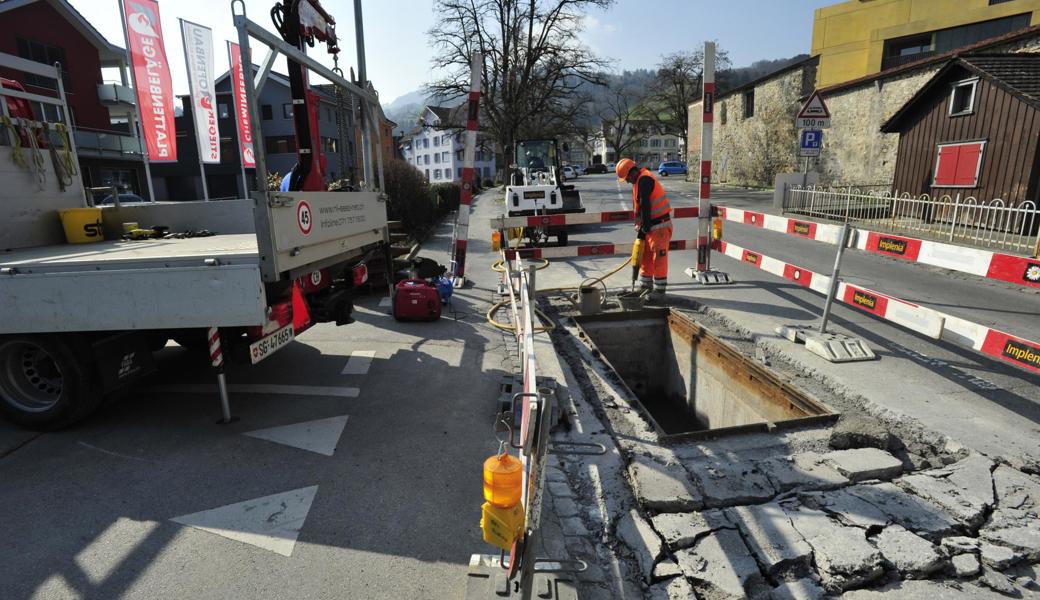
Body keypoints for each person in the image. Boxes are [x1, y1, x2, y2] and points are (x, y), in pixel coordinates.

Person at [616, 158, 672, 302]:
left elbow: (646, 204)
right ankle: (645, 286)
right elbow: (640, 206)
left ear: (631, 172)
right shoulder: (638, 181)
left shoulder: (645, 180)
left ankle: (659, 292)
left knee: (659, 257)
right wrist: (642, 227)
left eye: (627, 178)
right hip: (650, 226)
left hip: (659, 226)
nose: (627, 181)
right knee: (645, 256)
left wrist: (645, 225)